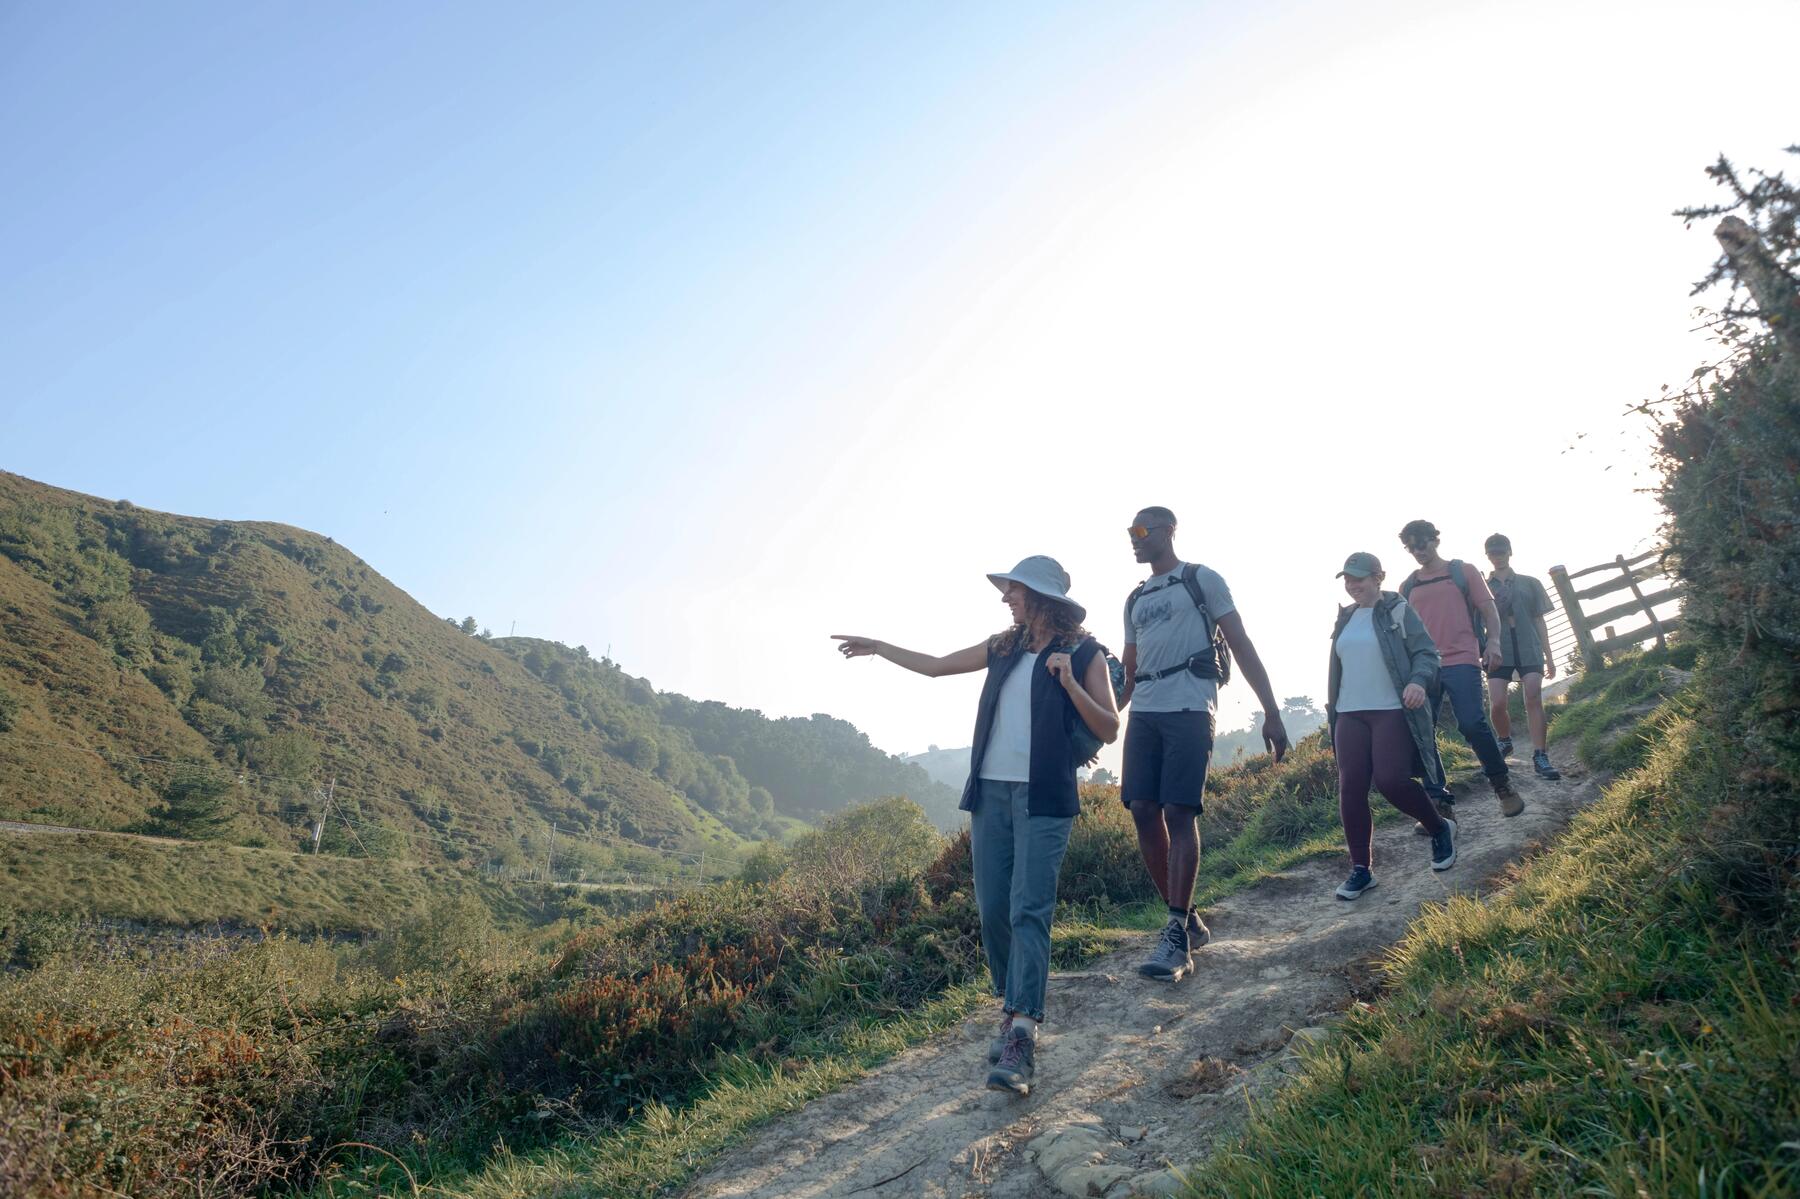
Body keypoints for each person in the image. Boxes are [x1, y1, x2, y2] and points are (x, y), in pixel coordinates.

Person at [832, 555, 1118, 1097]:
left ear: (1040, 597)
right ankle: (1011, 1011)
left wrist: (1069, 685)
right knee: (993, 913)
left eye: (1014, 590)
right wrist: (880, 647)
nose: (1006, 598)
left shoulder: (1083, 654)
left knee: (1028, 910)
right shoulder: (1003, 647)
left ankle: (1023, 1034)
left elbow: (1107, 726)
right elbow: (938, 665)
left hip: (1045, 796)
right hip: (990, 792)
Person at [1120, 508, 1288, 983]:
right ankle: (1186, 918)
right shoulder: (1135, 598)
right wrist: (1097, 721)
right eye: (1129, 533)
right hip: (1146, 710)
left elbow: (1240, 642)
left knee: (1179, 812)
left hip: (1191, 706)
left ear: (1168, 531)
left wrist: (1271, 712)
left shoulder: (1200, 579)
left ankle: (1174, 933)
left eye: (1140, 531)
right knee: (1142, 810)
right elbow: (1129, 675)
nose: (1133, 540)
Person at [1326, 552, 1456, 900]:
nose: (1353, 586)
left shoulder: (1398, 610)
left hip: (1390, 709)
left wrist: (1417, 681)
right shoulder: (1345, 618)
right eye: (1348, 580)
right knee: (1350, 788)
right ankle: (1361, 869)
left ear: (1379, 577)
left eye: (1359, 579)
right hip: (1349, 713)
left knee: (1390, 780)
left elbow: (1427, 653)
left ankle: (1439, 827)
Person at [1396, 519, 1524, 819]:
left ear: (1435, 540)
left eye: (1422, 543)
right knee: (1422, 734)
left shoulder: (1462, 571)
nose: (1418, 550)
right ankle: (1439, 803)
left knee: (1471, 722)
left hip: (1462, 658)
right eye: (1411, 546)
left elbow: (1489, 610)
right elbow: (1402, 632)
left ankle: (1502, 785)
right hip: (1424, 667)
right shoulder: (1408, 586)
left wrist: (1493, 643)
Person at [1483, 534, 1561, 781]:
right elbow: (1477, 621)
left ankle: (1540, 755)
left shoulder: (1530, 583)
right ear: (1487, 555)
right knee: (1497, 703)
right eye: (1493, 552)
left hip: (1529, 645)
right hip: (1498, 648)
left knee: (1534, 696)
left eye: (1502, 551)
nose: (1498, 556)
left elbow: (1539, 619)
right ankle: (1504, 739)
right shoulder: (1482, 587)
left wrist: (1549, 656)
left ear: (1510, 552)